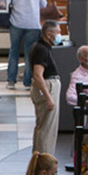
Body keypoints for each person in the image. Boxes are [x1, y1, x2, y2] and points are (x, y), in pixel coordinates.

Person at [6, 0, 47, 90]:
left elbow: (7, 2)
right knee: (30, 53)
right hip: (33, 23)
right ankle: (27, 82)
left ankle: (11, 81)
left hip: (16, 22)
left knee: (14, 51)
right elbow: (43, 4)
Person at [30, 21, 62, 156]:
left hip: (48, 86)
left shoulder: (41, 47)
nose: (60, 36)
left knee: (43, 126)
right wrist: (48, 97)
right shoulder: (41, 49)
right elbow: (38, 75)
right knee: (47, 128)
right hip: (48, 87)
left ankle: (39, 159)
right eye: (58, 33)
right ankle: (44, 161)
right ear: (49, 34)